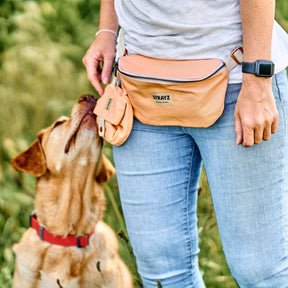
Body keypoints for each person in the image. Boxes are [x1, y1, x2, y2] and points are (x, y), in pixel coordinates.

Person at [83, 0, 288, 287]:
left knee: (259, 271)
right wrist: (106, 29)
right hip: (139, 83)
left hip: (236, 79)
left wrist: (257, 78)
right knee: (161, 272)